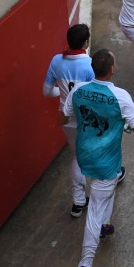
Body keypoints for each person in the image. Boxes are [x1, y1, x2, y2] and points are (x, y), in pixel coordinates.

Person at [64, 49, 134, 267]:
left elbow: (63, 117)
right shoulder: (120, 96)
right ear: (112, 69)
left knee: (105, 191)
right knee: (95, 208)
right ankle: (85, 266)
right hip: (106, 162)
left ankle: (105, 225)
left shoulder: (77, 91)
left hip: (84, 157)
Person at [42, 23, 94, 219]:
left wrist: (64, 94)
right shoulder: (91, 64)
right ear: (86, 42)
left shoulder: (56, 61)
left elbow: (46, 92)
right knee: (93, 153)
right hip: (86, 120)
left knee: (77, 157)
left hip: (66, 119)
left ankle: (79, 201)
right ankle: (82, 199)